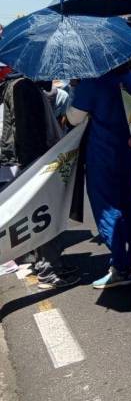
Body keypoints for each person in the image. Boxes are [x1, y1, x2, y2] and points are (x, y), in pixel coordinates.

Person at [67, 66, 131, 289]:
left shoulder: (92, 82)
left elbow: (74, 118)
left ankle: (120, 267)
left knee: (107, 208)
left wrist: (75, 88)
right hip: (128, 150)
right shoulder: (129, 75)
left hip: (103, 153)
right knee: (130, 204)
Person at [0, 73, 78, 289]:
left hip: (33, 160)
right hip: (37, 161)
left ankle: (50, 264)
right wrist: (39, 164)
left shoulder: (22, 85)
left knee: (43, 214)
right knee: (44, 214)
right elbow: (28, 131)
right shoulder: (23, 88)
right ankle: (49, 270)